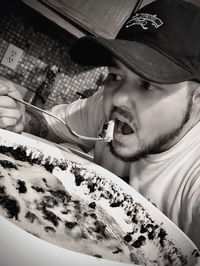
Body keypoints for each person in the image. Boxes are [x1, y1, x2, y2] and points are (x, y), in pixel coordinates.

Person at [0, 0, 200, 250]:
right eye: (116, 76)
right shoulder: (102, 105)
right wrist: (21, 118)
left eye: (147, 84)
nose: (117, 98)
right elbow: (47, 125)